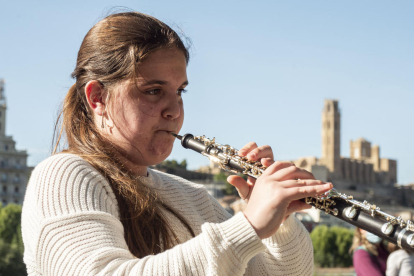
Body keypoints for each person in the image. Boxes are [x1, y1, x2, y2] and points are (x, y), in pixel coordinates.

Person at [21, 11, 333, 275]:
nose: (175, 110)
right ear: (97, 97)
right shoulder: (63, 175)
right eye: (153, 90)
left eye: (180, 90)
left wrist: (279, 222)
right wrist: (249, 226)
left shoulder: (193, 198)